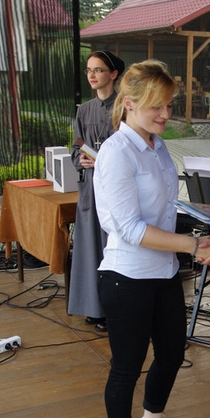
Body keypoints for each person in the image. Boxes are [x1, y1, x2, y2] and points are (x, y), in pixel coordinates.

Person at [93, 59, 210, 418]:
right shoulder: (116, 153)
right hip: (126, 276)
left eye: (170, 105)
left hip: (165, 271)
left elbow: (165, 208)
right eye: (157, 106)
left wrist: (209, 223)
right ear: (129, 103)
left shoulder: (156, 147)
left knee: (172, 352)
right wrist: (195, 245)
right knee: (127, 365)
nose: (166, 114)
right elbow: (131, 228)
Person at [68, 50, 125, 332]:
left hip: (115, 188)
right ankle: (94, 308)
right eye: (89, 70)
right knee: (90, 248)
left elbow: (127, 149)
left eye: (98, 70)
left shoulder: (125, 107)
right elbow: (75, 148)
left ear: (113, 74)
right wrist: (80, 158)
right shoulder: (84, 110)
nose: (92, 75)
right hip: (90, 189)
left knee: (111, 246)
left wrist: (103, 159)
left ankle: (114, 311)